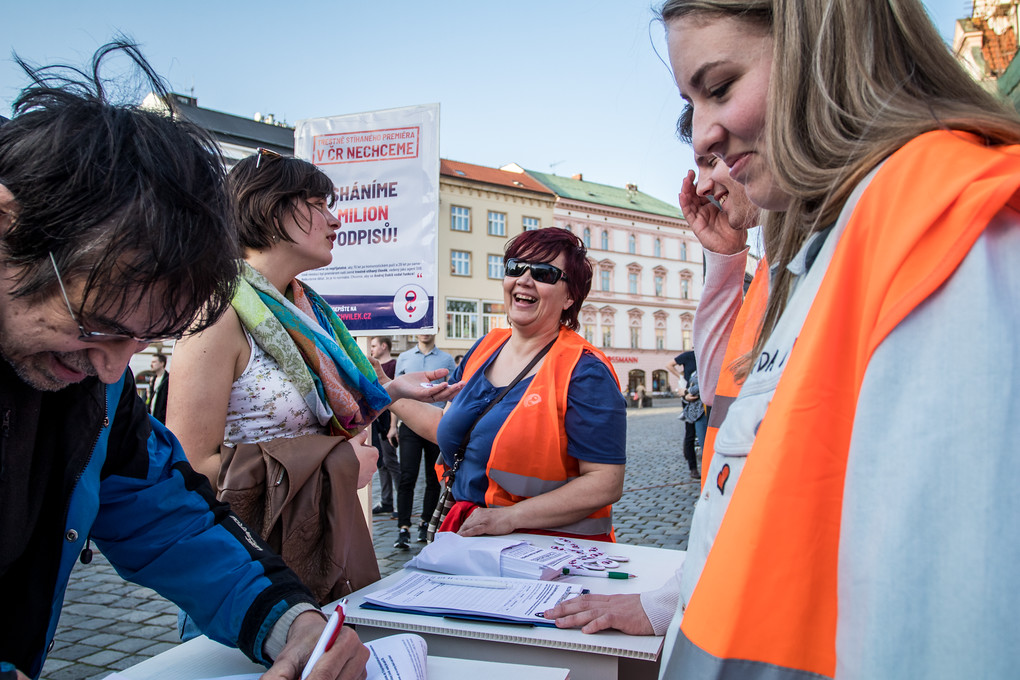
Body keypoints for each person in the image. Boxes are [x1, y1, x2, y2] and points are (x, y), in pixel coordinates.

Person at [670, 1, 1020, 677]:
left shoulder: (935, 221)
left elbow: (944, 637)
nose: (702, 139)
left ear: (819, 44)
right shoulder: (839, 237)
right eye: (691, 106)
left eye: (719, 88)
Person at [0, 42, 368, 680]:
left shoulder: (93, 378)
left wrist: (288, 620)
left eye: (144, 339)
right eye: (98, 327)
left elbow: (160, 507)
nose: (114, 370)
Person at [168, 152, 455, 606]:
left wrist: (392, 392)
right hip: (245, 568)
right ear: (269, 209)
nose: (335, 220)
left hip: (315, 544)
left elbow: (322, 422)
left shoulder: (307, 312)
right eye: (319, 204)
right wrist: (335, 467)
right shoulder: (219, 316)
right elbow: (190, 470)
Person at [545, 118, 765, 642]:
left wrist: (666, 605)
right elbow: (721, 386)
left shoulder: (809, 250)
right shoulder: (772, 259)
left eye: (714, 159)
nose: (705, 184)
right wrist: (725, 258)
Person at [382, 228, 628, 542]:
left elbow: (605, 482)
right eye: (515, 268)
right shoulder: (487, 346)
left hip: (549, 548)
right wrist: (385, 386)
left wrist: (510, 517)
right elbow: (448, 427)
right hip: (471, 530)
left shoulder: (585, 370)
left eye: (543, 273)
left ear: (570, 296)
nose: (524, 279)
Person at [390, 334, 457, 548]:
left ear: (436, 330)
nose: (425, 332)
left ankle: (425, 522)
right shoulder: (404, 357)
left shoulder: (446, 360)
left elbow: (454, 394)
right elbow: (395, 393)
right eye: (422, 329)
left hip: (435, 425)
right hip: (409, 424)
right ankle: (403, 528)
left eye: (430, 328)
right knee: (407, 476)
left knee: (432, 477)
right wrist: (393, 425)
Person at [368, 336, 399, 517]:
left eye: (373, 346)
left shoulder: (393, 366)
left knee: (391, 462)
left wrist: (393, 426)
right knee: (381, 464)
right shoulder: (372, 367)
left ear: (384, 346)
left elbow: (397, 397)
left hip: (388, 422)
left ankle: (401, 501)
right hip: (376, 422)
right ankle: (387, 501)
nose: (371, 349)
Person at [665, 350, 700, 476]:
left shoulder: (707, 354)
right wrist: (680, 377)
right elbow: (669, 364)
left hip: (703, 398)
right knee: (690, 432)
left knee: (703, 434)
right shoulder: (689, 356)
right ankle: (693, 468)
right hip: (689, 397)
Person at [146, 353, 169, 424]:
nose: (151, 364)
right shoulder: (153, 380)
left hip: (162, 420)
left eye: (154, 362)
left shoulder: (168, 379)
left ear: (162, 363)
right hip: (152, 418)